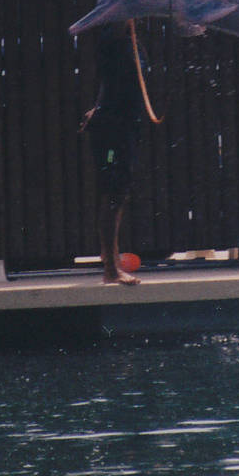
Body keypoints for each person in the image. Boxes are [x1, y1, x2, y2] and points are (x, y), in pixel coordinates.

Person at [80, 23, 146, 284]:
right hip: (111, 131)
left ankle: (110, 260)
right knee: (113, 192)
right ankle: (110, 269)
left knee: (119, 191)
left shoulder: (133, 43)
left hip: (124, 127)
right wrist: (100, 109)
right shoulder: (112, 41)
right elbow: (111, 80)